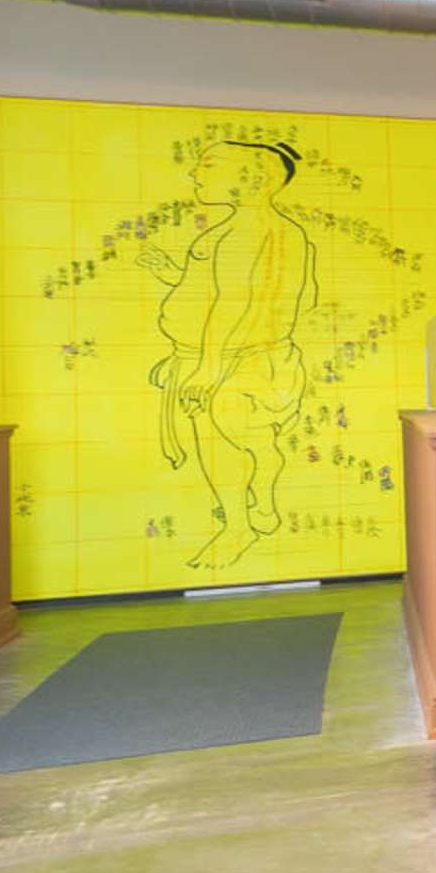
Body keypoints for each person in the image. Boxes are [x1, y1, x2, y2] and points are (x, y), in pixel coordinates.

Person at [140, 137, 320, 572]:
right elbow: (303, 298)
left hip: (229, 362)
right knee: (255, 439)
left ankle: (237, 527)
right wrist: (175, 276)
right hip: (262, 357)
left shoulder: (241, 233)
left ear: (250, 179)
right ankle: (263, 499)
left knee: (220, 446)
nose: (195, 174)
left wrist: (207, 367)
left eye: (209, 166)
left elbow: (232, 302)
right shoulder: (281, 232)